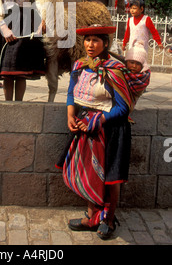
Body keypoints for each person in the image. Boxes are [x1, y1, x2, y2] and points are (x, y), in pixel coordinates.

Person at [59, 25, 138, 240]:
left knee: (110, 177)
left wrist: (99, 119)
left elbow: (123, 107)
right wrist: (70, 116)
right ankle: (92, 216)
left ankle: (109, 219)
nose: (90, 45)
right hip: (85, 127)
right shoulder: (79, 66)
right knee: (89, 173)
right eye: (87, 40)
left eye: (95, 40)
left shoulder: (114, 69)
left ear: (105, 43)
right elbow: (70, 95)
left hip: (110, 129)